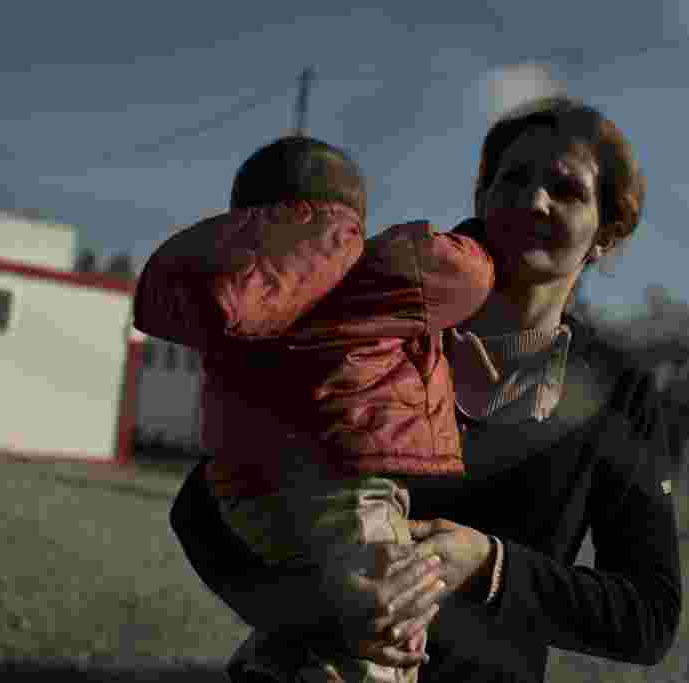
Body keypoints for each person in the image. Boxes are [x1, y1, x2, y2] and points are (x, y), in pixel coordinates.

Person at [169, 96, 683, 682]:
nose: (532, 199)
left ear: (606, 234)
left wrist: (490, 565)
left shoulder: (618, 393)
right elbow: (202, 508)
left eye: (567, 190)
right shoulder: (380, 320)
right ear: (482, 198)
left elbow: (648, 615)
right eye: (512, 178)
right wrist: (319, 611)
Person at [133, 135, 495, 683]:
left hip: (242, 495)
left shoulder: (240, 284)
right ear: (350, 216)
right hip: (343, 491)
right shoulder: (372, 279)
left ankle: (273, 663)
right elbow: (464, 272)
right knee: (386, 626)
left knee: (316, 600)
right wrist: (443, 243)